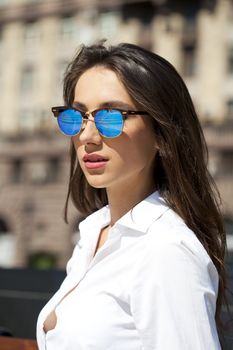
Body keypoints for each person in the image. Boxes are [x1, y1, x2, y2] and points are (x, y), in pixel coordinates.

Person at [36, 41, 227, 349]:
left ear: (162, 135)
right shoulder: (93, 233)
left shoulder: (165, 249)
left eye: (111, 117)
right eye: (78, 116)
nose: (87, 136)